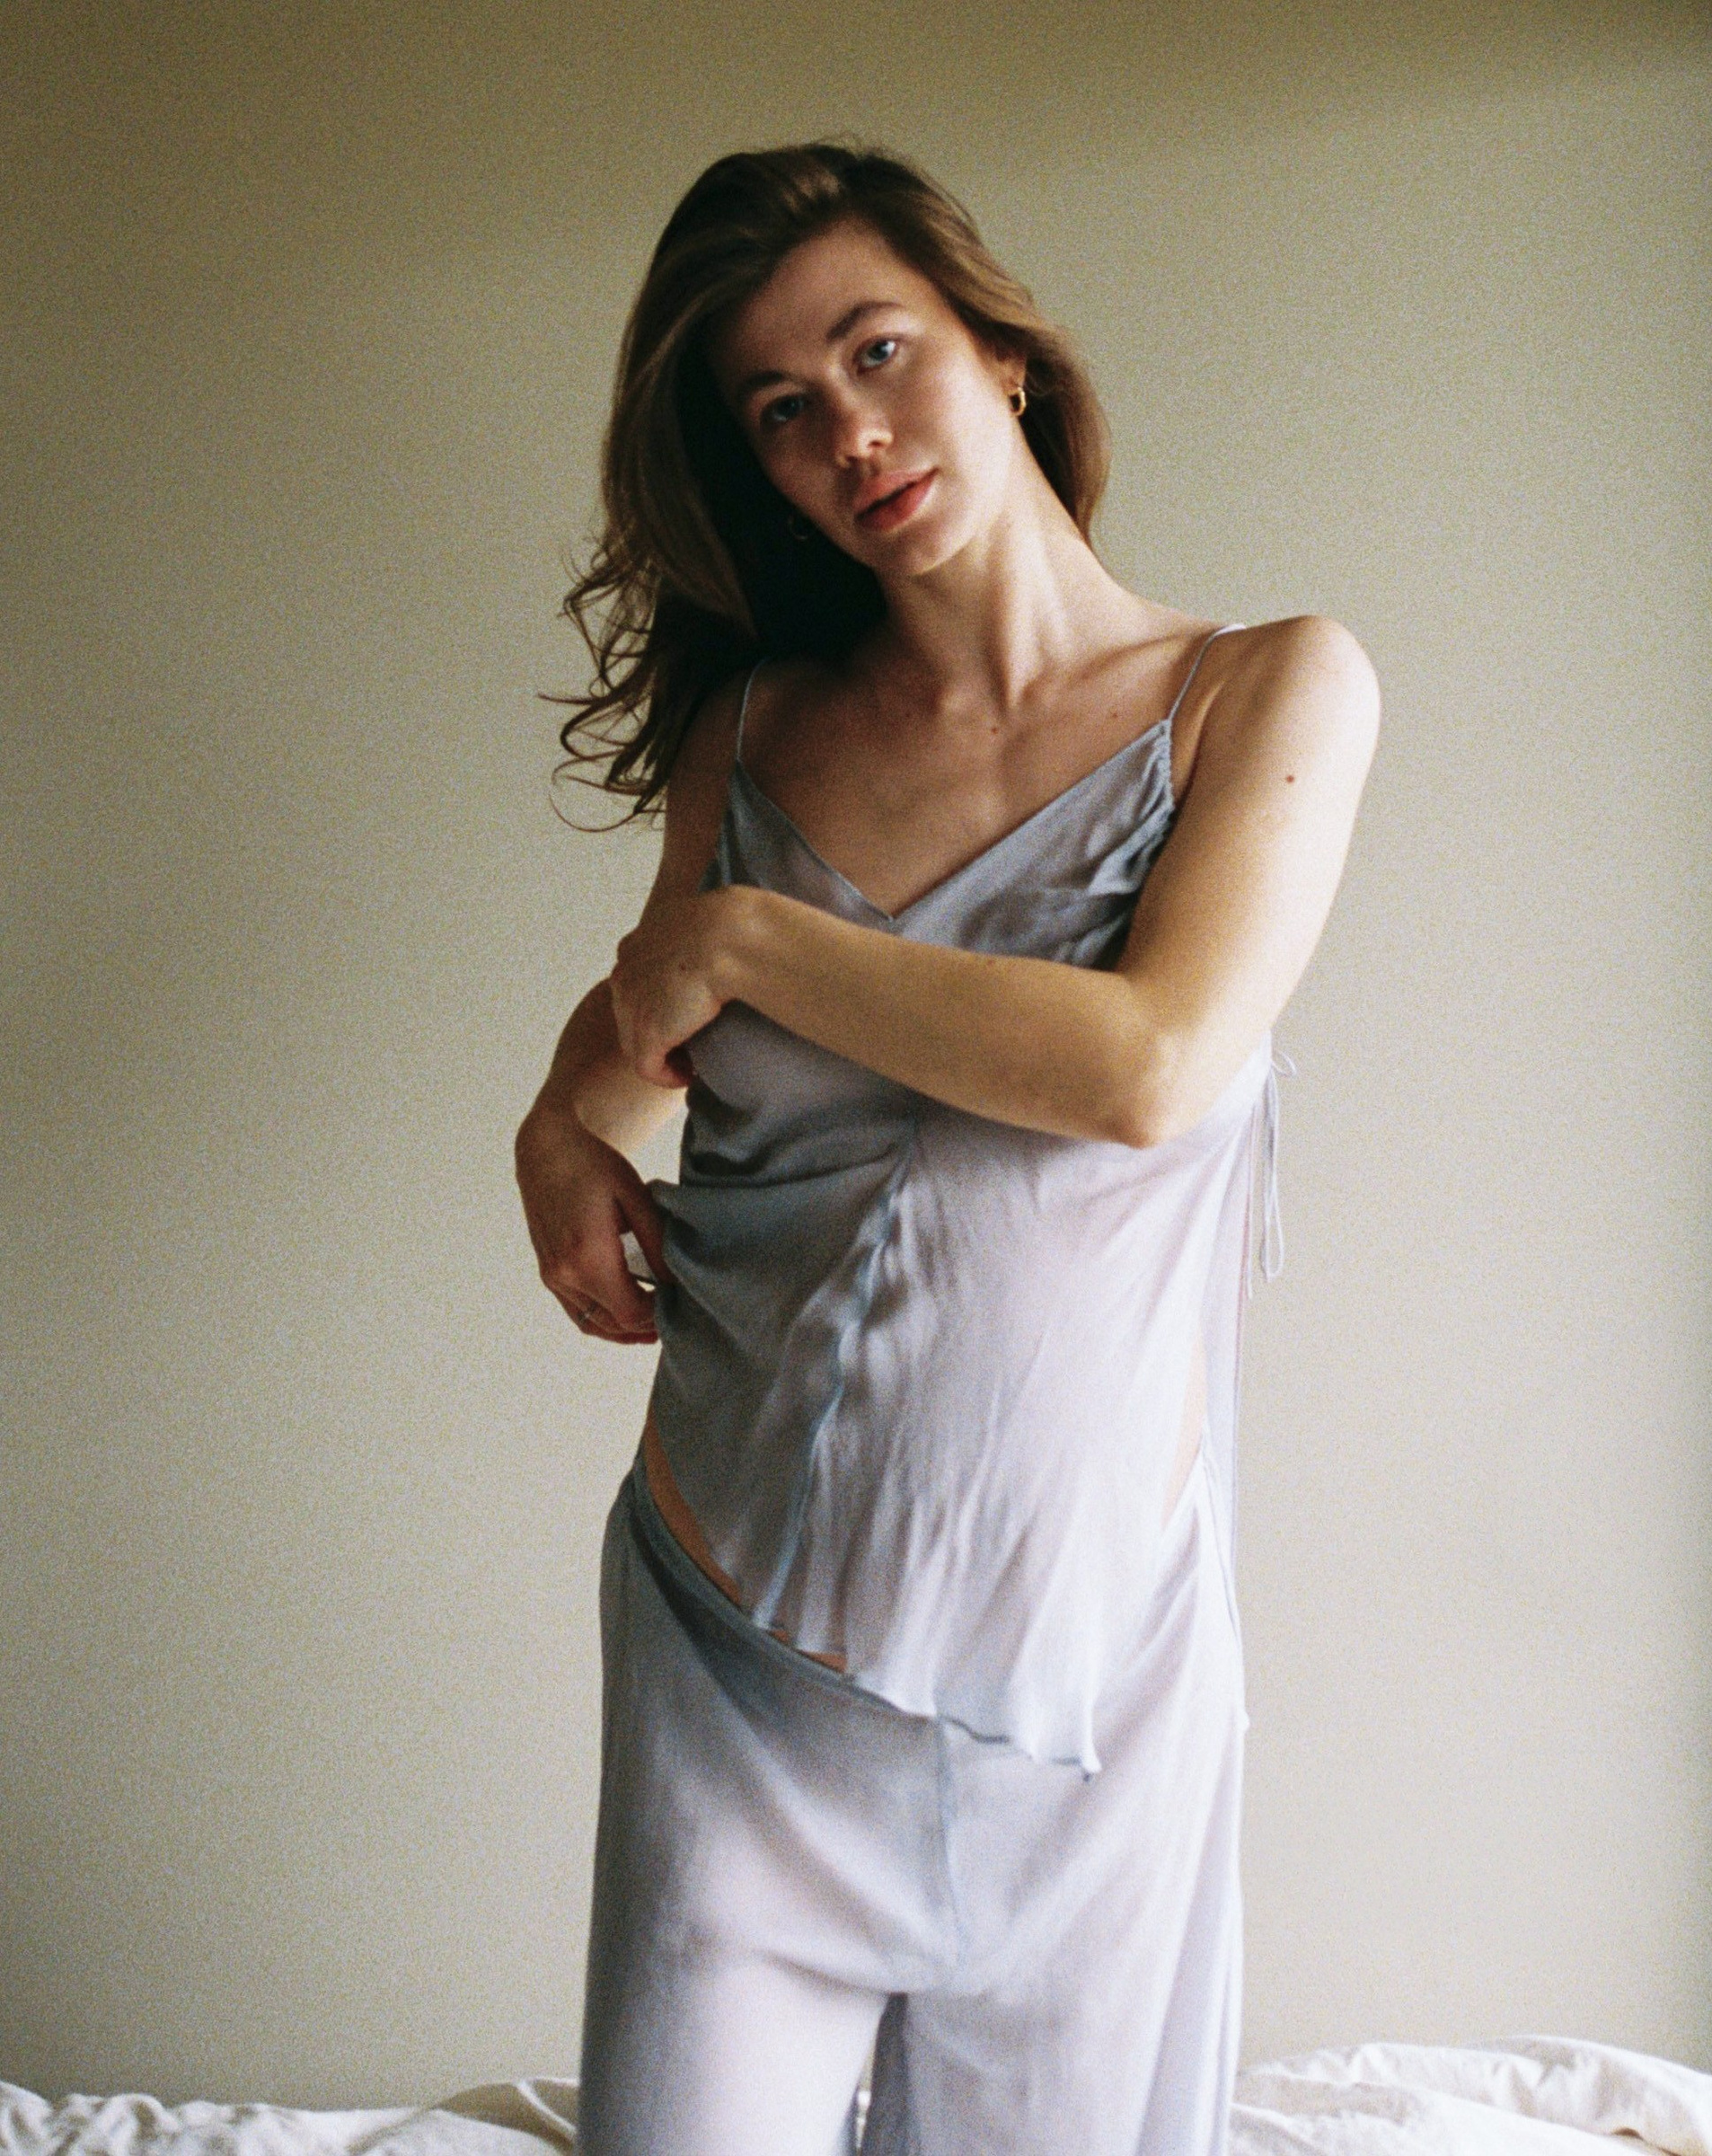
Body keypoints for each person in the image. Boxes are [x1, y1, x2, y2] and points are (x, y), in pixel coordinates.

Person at [515, 141, 1379, 2156]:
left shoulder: (1262, 691)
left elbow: (1150, 1065)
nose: (848, 432)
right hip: (735, 1667)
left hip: (1087, 1712)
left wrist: (758, 942)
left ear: (1002, 349)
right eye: (780, 410)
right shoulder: (756, 733)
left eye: (877, 350)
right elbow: (643, 1025)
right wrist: (558, 1134)